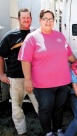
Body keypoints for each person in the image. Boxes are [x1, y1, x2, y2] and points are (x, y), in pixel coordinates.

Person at [18, 9, 76, 136]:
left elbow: (69, 55)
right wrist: (28, 80)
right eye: (45, 19)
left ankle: (58, 130)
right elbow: (25, 60)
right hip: (42, 85)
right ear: (40, 20)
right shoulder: (32, 37)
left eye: (51, 19)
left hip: (62, 82)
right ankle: (48, 132)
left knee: (59, 108)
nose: (48, 22)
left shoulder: (60, 36)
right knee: (45, 109)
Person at [0, 8, 38, 136]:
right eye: (23, 18)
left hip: (34, 78)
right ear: (18, 19)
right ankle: (22, 132)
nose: (26, 20)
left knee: (41, 106)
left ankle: (48, 130)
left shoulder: (36, 33)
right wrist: (1, 73)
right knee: (17, 108)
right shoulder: (10, 36)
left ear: (31, 19)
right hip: (16, 78)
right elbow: (1, 55)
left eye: (28, 17)